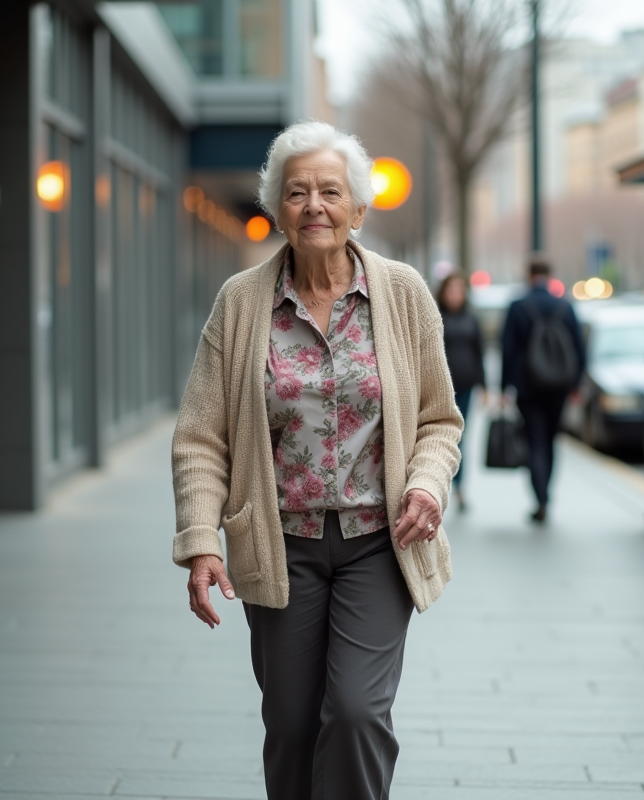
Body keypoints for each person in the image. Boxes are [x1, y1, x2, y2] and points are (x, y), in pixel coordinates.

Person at [171, 120, 463, 800]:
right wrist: (199, 540)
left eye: (330, 191)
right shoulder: (241, 303)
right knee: (293, 726)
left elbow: (438, 419)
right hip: (280, 546)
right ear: (277, 211)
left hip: (378, 543)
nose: (314, 206)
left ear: (358, 209)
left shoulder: (404, 294)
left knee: (359, 715)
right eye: (297, 192)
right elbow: (200, 434)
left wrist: (426, 485)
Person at [500, 254, 586, 522]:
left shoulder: (518, 307)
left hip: (528, 386)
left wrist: (505, 387)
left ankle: (540, 499)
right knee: (550, 440)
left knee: (534, 439)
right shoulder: (565, 307)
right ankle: (547, 492)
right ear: (550, 276)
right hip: (559, 386)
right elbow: (579, 348)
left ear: (529, 276)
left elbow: (508, 349)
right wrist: (576, 383)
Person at [435, 271, 486, 512]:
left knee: (460, 439)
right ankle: (440, 485)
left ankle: (461, 488)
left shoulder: (472, 319)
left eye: (459, 290)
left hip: (466, 386)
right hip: (440, 387)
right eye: (451, 290)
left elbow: (480, 353)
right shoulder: (435, 316)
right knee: (441, 437)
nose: (455, 295)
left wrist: (485, 387)